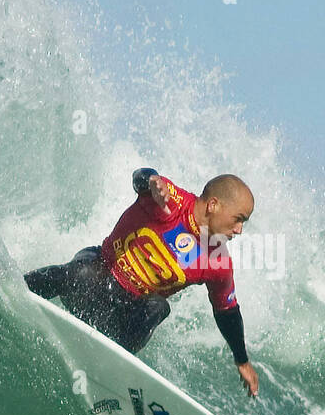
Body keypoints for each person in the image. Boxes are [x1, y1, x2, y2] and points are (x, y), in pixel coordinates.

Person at [24, 168, 261, 397]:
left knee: (158, 307)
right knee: (83, 273)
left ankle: (108, 366)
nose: (239, 230)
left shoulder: (216, 260)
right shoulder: (171, 202)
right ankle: (17, 285)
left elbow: (227, 311)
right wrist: (150, 182)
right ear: (213, 205)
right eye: (238, 219)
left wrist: (242, 360)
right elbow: (141, 177)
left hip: (120, 317)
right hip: (95, 280)